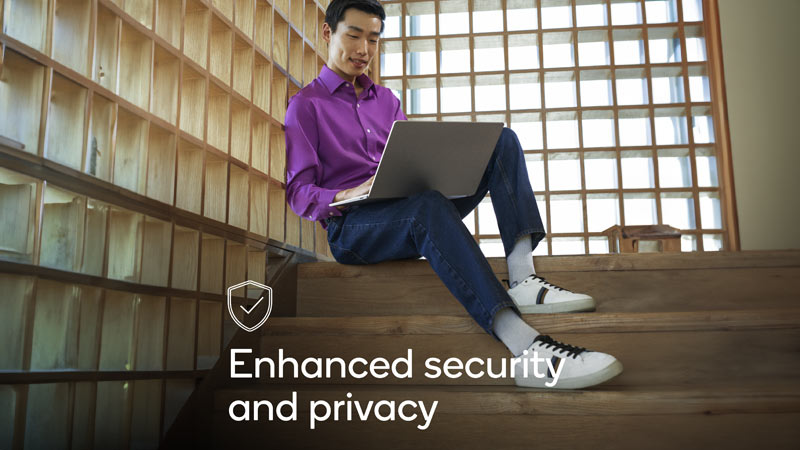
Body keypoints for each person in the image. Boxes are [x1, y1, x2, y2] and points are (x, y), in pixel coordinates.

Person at [285, 0, 622, 389]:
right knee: (425, 208)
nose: (364, 50)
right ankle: (527, 347)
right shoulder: (305, 106)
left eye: (374, 40)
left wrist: (433, 170)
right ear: (328, 33)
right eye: (354, 35)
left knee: (501, 142)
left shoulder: (387, 102)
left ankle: (523, 277)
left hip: (409, 210)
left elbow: (409, 159)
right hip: (355, 229)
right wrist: (350, 191)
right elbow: (298, 193)